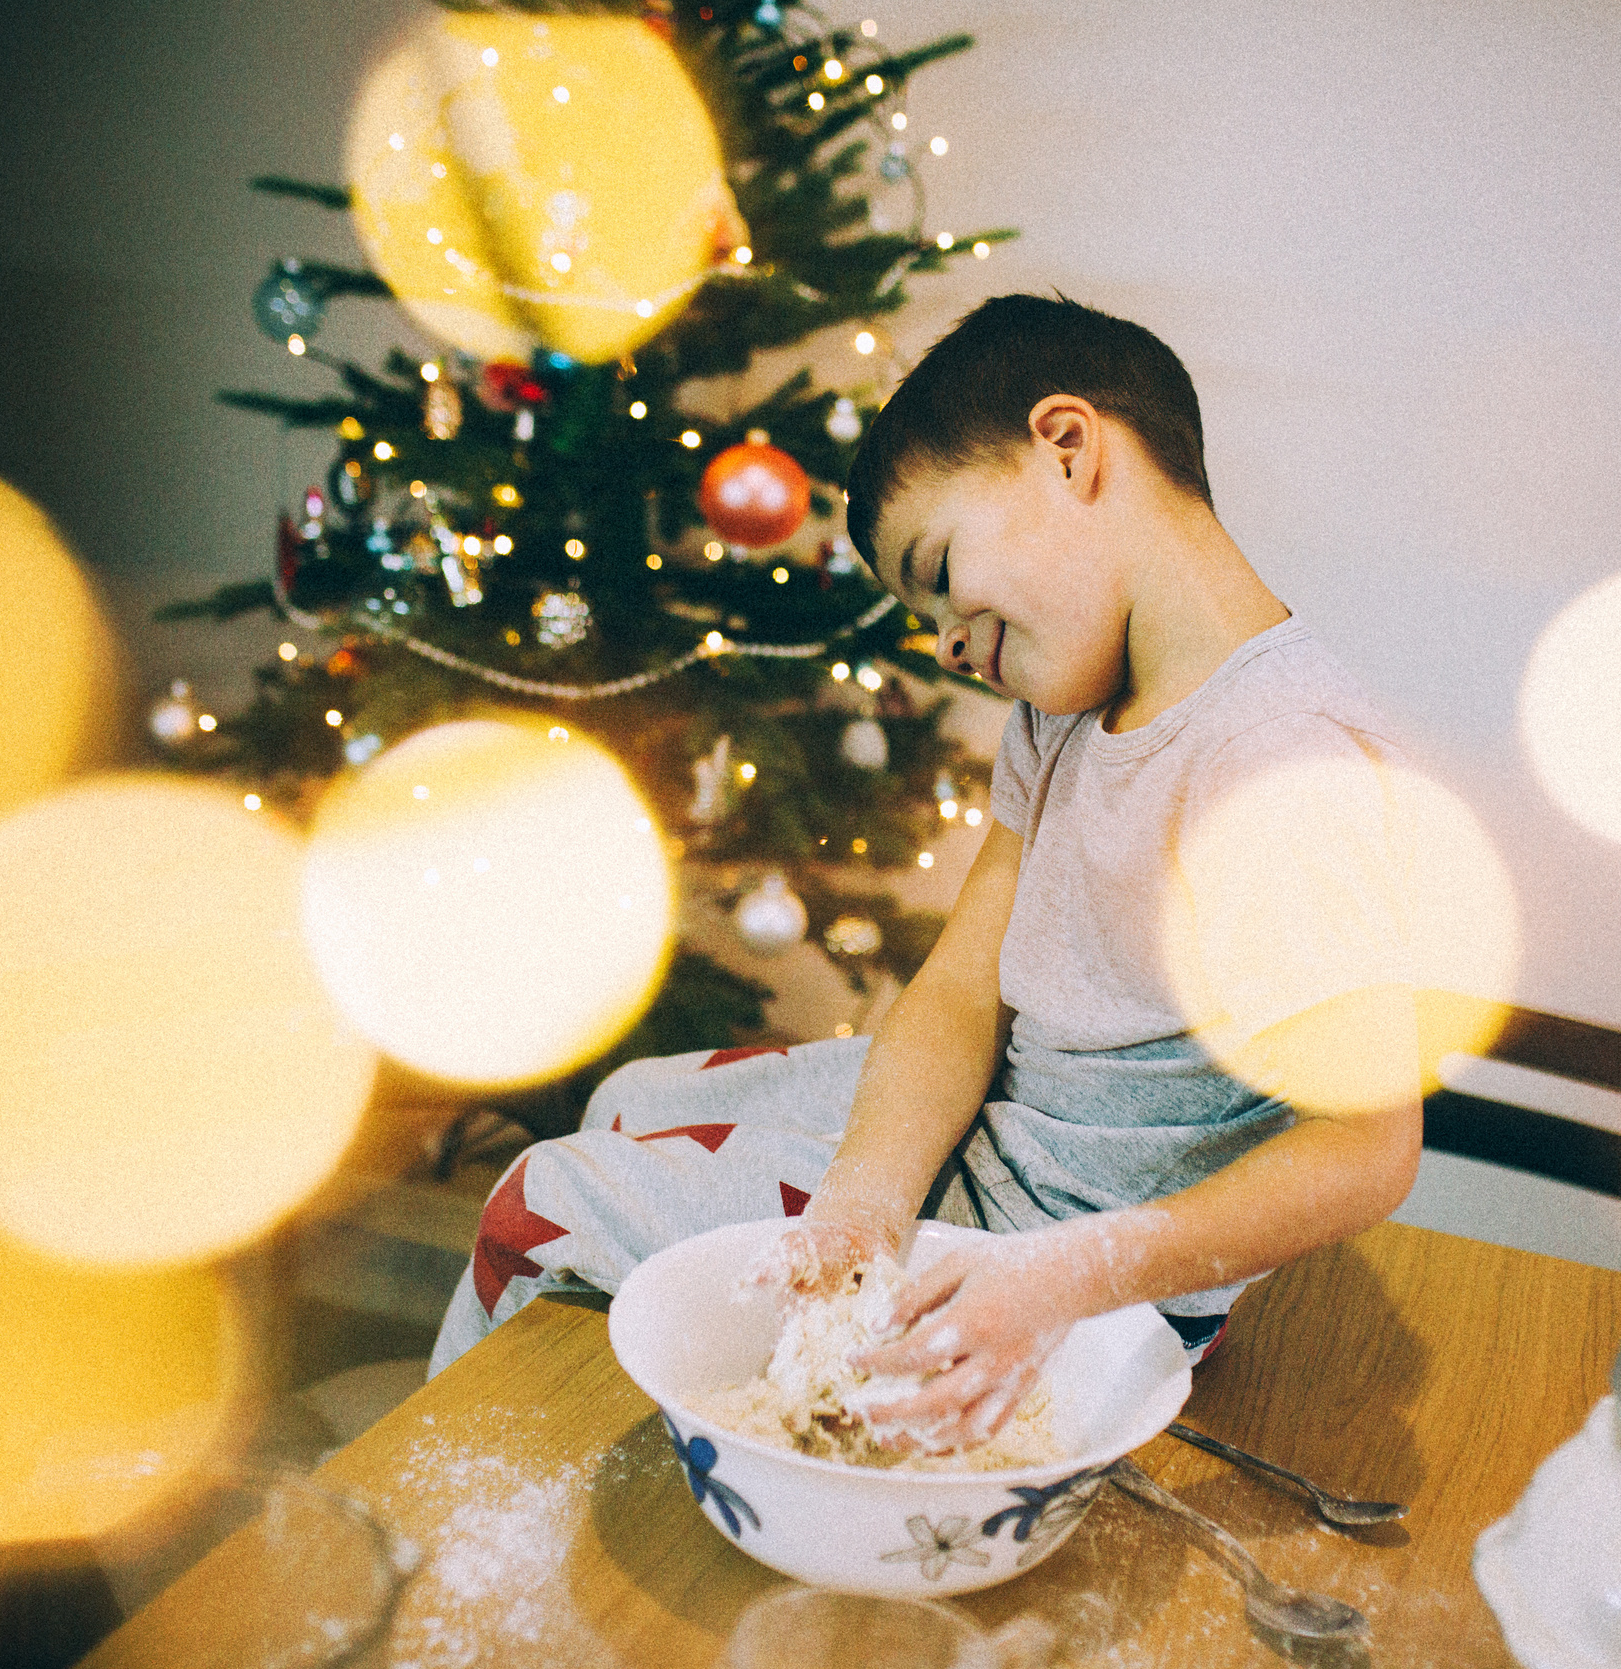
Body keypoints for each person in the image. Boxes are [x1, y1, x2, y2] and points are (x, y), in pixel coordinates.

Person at [428, 295, 1425, 1452]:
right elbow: (957, 992)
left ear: (1068, 446)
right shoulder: (1064, 721)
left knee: (535, 1202)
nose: (947, 642)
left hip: (1060, 1252)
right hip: (997, 1139)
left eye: (939, 569)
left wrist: (1059, 1278)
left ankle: (430, 1517)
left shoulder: (1278, 758)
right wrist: (860, 1205)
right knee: (629, 1102)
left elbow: (1363, 1150)